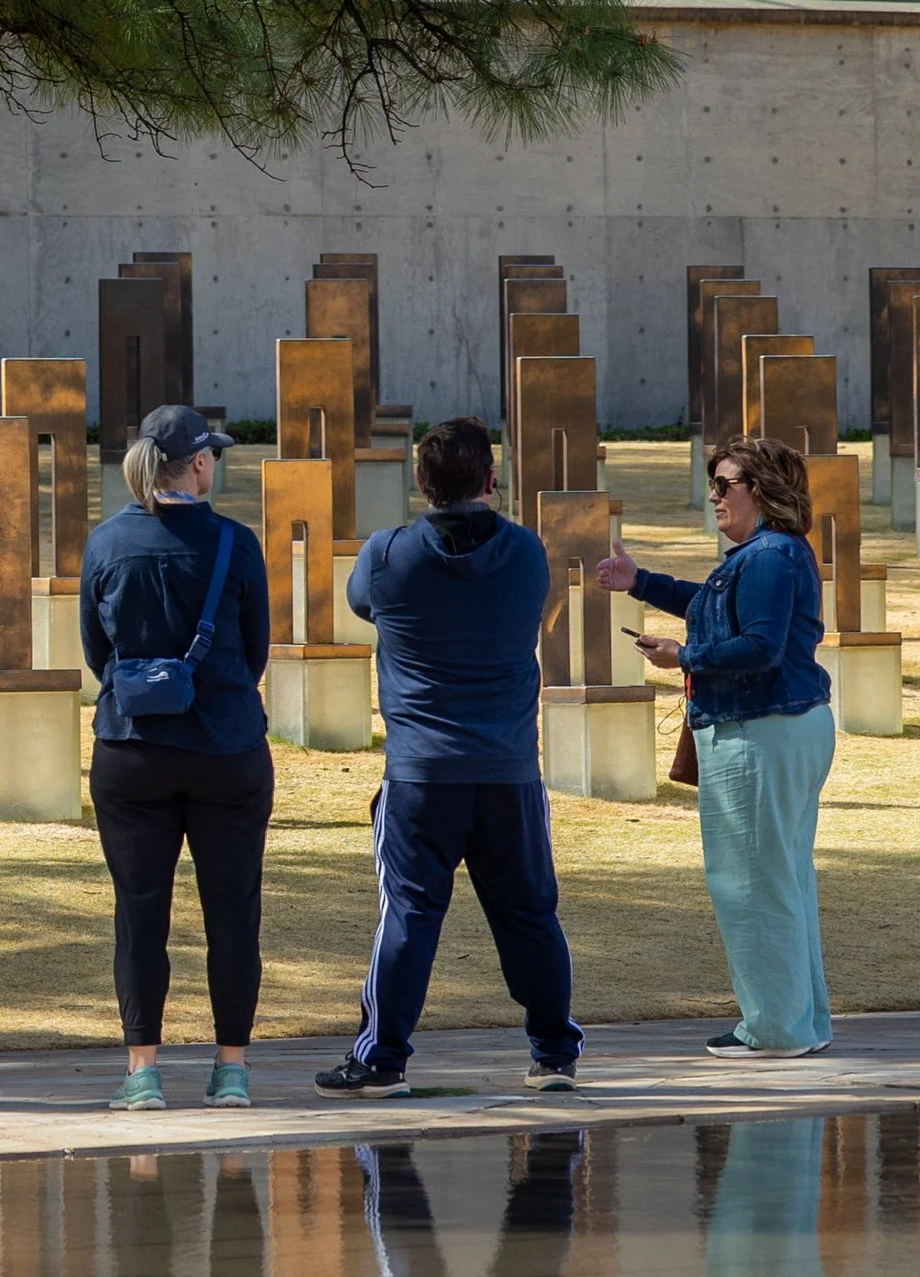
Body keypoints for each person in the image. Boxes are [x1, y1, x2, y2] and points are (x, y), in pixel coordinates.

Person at [314, 416, 586, 1097]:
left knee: (407, 914)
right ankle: (553, 1052)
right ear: (492, 479)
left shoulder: (386, 556)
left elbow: (358, 603)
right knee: (529, 915)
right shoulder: (526, 553)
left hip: (422, 772)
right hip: (508, 771)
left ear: (419, 482)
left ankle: (382, 1058)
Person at [597, 435, 836, 1060]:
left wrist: (685, 656)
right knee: (780, 879)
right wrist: (639, 581)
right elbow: (712, 605)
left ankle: (777, 1029)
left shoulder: (768, 557)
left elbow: (759, 646)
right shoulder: (767, 553)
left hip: (759, 732)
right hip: (779, 728)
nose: (712, 495)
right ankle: (797, 1022)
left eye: (723, 483)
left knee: (753, 883)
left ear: (760, 491)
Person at [80, 404, 271, 1112]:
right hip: (226, 746)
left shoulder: (104, 545)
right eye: (212, 454)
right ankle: (231, 1067)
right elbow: (254, 650)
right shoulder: (234, 543)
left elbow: (96, 653)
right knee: (232, 910)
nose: (215, 463)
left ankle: (142, 1069)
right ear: (196, 464)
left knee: (139, 912)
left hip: (132, 748)